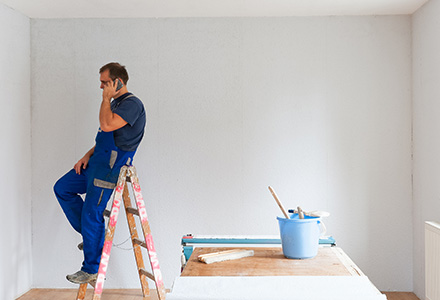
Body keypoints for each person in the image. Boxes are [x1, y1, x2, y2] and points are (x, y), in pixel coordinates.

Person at [54, 62, 146, 284]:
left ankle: (91, 270)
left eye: (105, 83)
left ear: (118, 82)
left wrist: (106, 99)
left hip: (110, 167)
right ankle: (93, 237)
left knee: (91, 212)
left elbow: (106, 126)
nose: (102, 87)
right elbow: (104, 137)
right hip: (96, 162)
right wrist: (87, 155)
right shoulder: (114, 104)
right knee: (62, 188)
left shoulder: (132, 104)